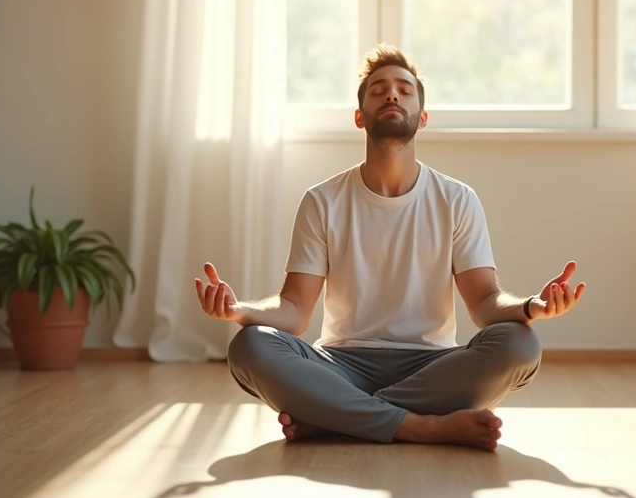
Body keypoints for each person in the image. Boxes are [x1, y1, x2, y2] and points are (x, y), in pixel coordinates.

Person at [193, 45, 586, 451]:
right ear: (360, 116)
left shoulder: (457, 199)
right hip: (340, 365)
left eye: (404, 89)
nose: (392, 95)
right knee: (250, 345)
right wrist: (240, 311)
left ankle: (337, 418)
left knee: (520, 343)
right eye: (379, 89)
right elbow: (292, 312)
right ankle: (420, 427)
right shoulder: (322, 200)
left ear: (423, 117)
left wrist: (531, 307)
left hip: (432, 366)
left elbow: (485, 302)